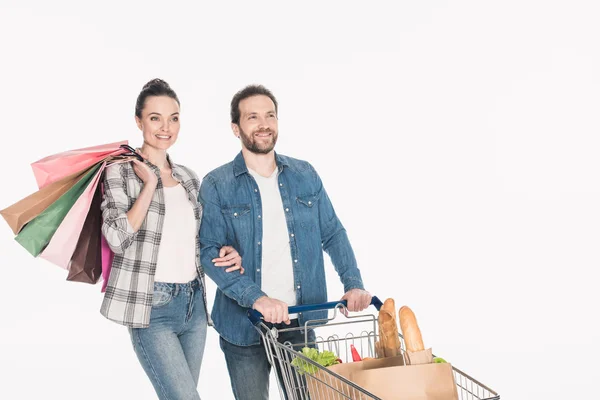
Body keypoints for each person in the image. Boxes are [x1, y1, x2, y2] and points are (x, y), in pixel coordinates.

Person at [199, 84, 372, 400]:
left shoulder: (305, 174)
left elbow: (333, 233)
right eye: (253, 117)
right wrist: (257, 298)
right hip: (243, 326)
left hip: (300, 322)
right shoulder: (216, 184)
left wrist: (353, 283)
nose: (263, 124)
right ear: (236, 128)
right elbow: (209, 251)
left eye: (270, 115)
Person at [100, 78, 243, 400]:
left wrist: (228, 250)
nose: (166, 127)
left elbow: (205, 238)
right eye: (155, 118)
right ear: (139, 121)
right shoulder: (119, 171)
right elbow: (117, 238)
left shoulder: (188, 177)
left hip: (194, 304)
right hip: (152, 306)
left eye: (174, 118)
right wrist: (149, 185)